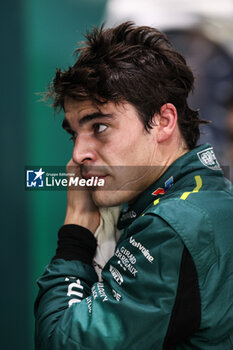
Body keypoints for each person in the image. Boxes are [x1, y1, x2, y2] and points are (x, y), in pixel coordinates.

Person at [35, 22, 233, 349]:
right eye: (74, 134)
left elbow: (62, 341)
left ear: (163, 121)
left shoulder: (172, 228)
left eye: (99, 126)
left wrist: (76, 231)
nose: (78, 154)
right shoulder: (206, 196)